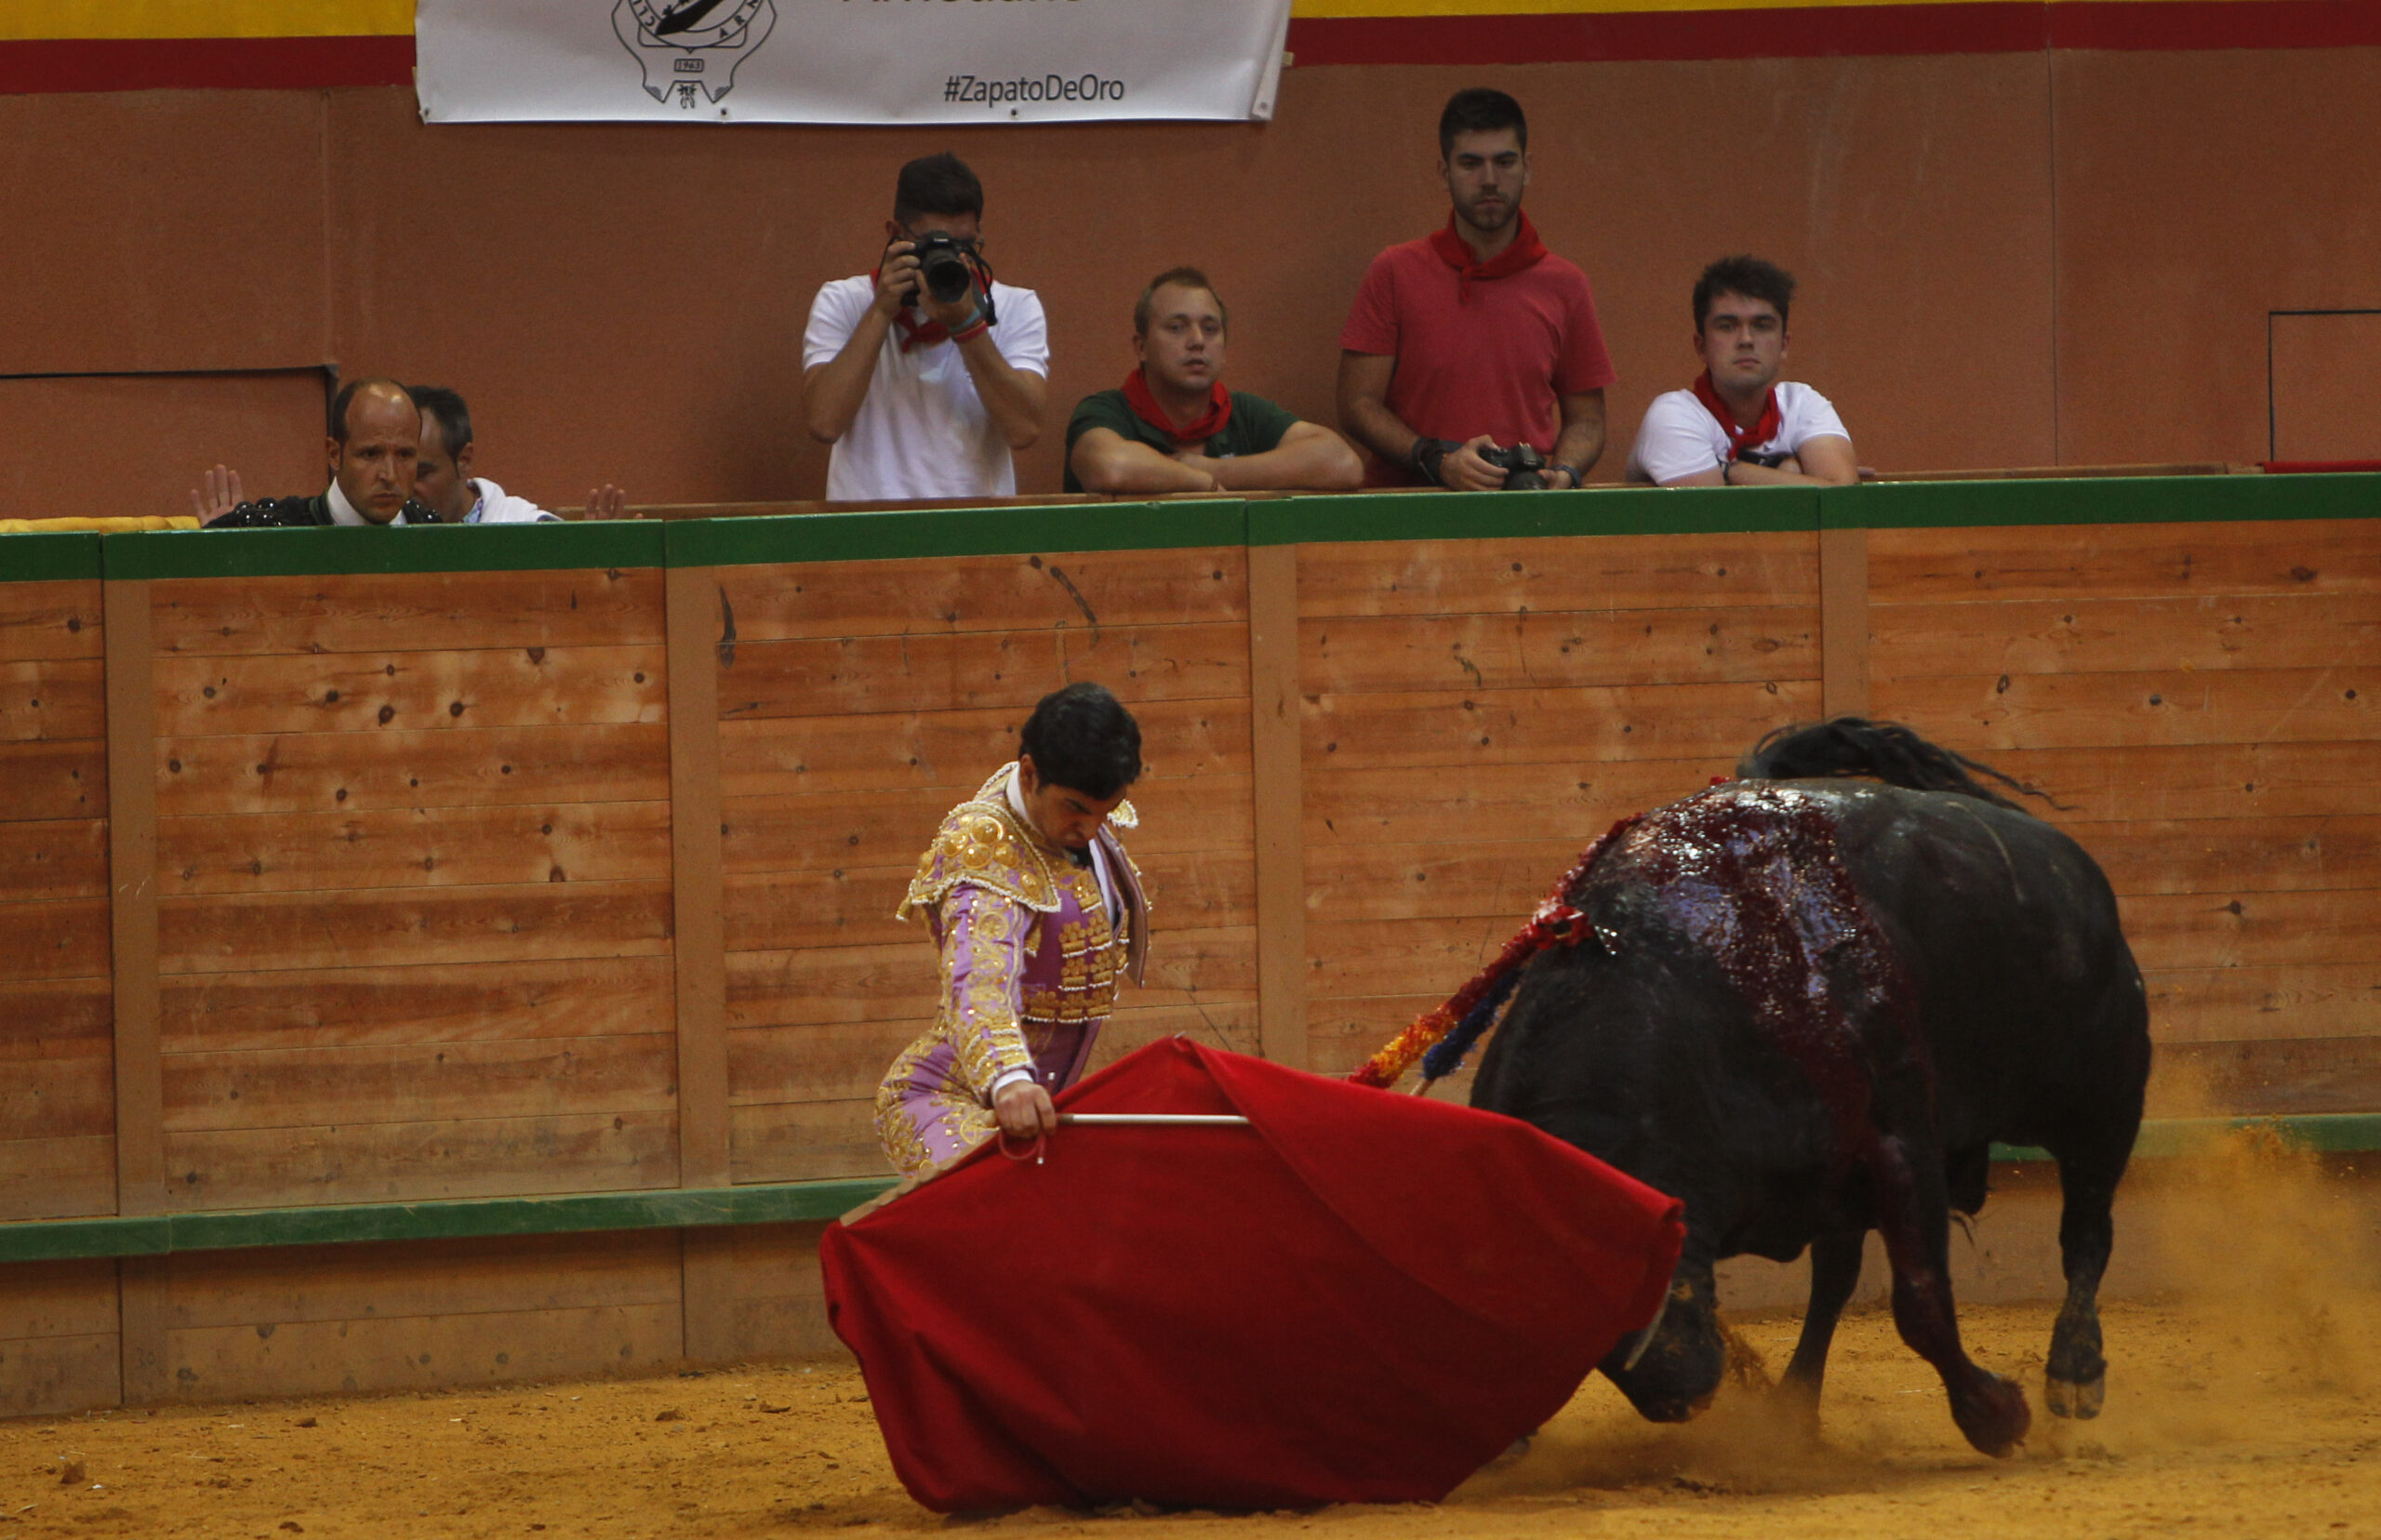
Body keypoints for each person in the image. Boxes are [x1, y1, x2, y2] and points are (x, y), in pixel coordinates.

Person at [874, 683, 1151, 1179]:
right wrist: (1008, 1081)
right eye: (1076, 808)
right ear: (1029, 774)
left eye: (1104, 812)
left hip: (1040, 1110)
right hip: (947, 1100)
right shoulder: (985, 851)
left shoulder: (1072, 816)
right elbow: (979, 980)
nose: (1091, 829)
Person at [1337, 87, 1616, 491]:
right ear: (1444, 173)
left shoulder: (1567, 285)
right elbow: (1357, 404)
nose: (1489, 180)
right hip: (1411, 503)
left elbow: (1587, 419)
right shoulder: (1394, 271)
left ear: (1527, 168)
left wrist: (1566, 471)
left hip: (1524, 504)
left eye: (1505, 162)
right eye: (1470, 164)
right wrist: (1437, 460)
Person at [801, 153, 1049, 502]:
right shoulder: (844, 300)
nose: (952, 258)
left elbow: (1024, 430)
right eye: (934, 245)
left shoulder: (1014, 306)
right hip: (866, 523)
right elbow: (824, 423)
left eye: (964, 245)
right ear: (895, 234)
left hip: (974, 523)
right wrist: (881, 310)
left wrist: (967, 324)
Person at [1065, 269, 1363, 495]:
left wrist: (1215, 470)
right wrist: (1200, 483)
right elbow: (1111, 466)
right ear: (1141, 347)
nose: (1197, 341)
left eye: (1210, 329)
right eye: (1177, 327)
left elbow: (1342, 464)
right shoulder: (1106, 410)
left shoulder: (1244, 413)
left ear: (1224, 349)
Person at [1625, 256, 1858, 487]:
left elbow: (1842, 492)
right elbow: (1716, 509)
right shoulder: (1674, 414)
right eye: (1727, 326)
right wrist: (1793, 472)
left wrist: (1730, 471)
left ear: (1784, 346)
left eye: (1762, 326)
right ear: (1701, 346)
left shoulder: (1801, 404)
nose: (1746, 340)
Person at [193, 378, 442, 527]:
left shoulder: (438, 537)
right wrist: (220, 551)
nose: (390, 475)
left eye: (405, 455)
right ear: (334, 454)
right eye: (370, 454)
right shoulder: (274, 533)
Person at [407, 386, 631, 523]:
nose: (405, 487)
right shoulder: (386, 528)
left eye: (421, 474)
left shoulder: (527, 529)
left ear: (463, 460)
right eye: (398, 472)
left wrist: (592, 563)